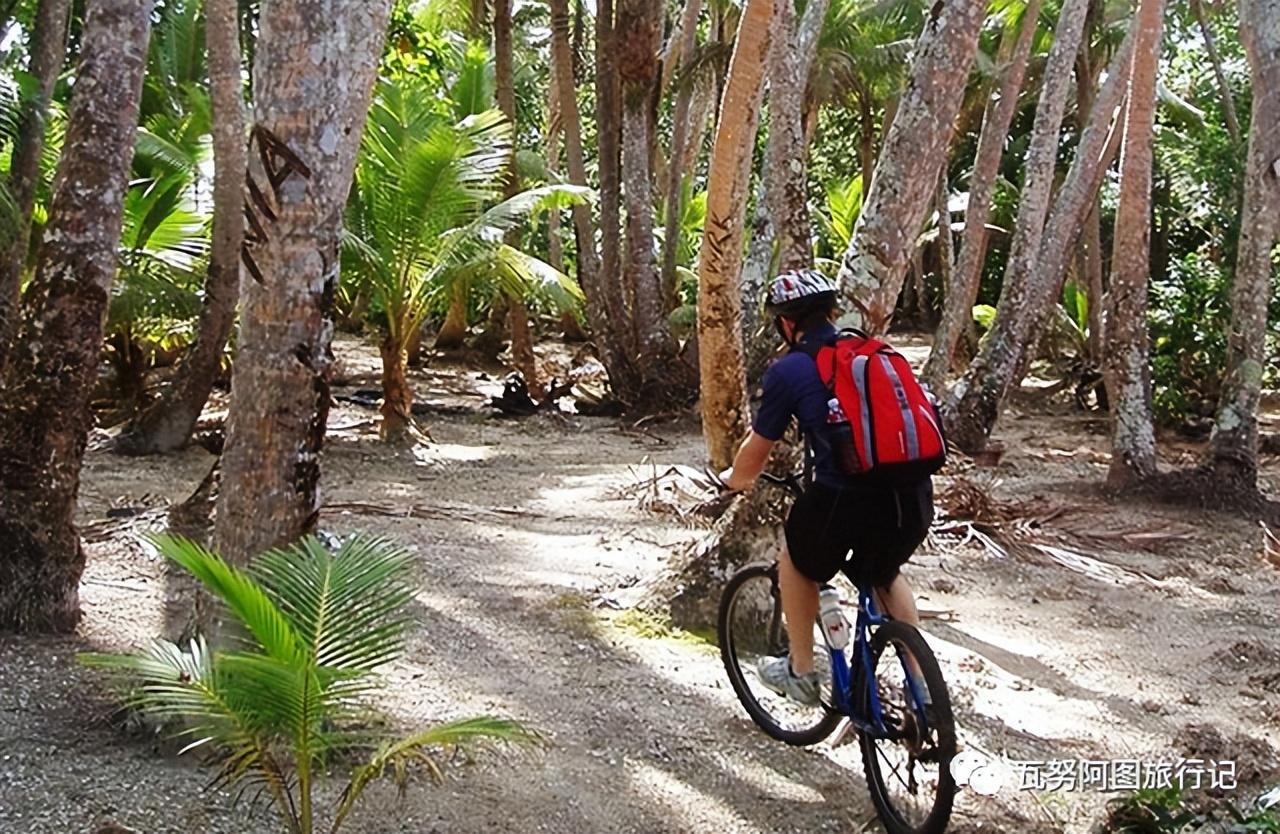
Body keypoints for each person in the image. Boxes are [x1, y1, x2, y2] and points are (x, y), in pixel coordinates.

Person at [717, 269, 935, 706]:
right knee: (884, 573)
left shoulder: (790, 369)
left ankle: (800, 672)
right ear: (833, 313)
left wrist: (733, 480)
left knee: (797, 563)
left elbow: (757, 448)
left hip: (843, 496)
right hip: (912, 494)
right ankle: (923, 688)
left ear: (785, 323)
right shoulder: (878, 352)